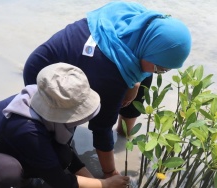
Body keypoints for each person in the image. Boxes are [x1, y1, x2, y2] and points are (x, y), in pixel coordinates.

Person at [23, 1, 192, 178]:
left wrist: (134, 83)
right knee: (62, 139)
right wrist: (110, 173)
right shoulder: (110, 75)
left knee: (145, 77)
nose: (162, 72)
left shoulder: (138, 22)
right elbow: (101, 128)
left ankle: (125, 133)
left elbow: (144, 67)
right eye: (161, 68)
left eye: (166, 69)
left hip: (95, 62)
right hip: (45, 76)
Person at [0, 63, 129, 188]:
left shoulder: (52, 98)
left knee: (63, 154)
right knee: (7, 173)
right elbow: (61, 181)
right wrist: (104, 184)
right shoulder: (26, 126)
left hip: (9, 151)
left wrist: (95, 182)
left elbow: (68, 157)